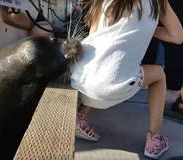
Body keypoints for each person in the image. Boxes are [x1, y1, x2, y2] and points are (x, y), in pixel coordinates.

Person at [70, 0, 183, 159]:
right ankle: (155, 140)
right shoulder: (158, 3)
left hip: (80, 77)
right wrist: (149, 27)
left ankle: (80, 116)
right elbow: (178, 36)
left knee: (104, 68)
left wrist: (141, 26)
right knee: (159, 75)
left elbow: (94, 35)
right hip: (112, 87)